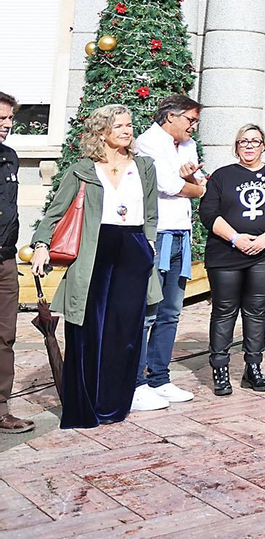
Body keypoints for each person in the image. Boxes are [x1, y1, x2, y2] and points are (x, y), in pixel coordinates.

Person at [30, 105, 160, 428]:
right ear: (102, 132)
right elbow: (55, 212)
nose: (127, 131)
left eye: (129, 125)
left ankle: (114, 406)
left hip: (133, 250)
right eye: (119, 126)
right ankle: (85, 406)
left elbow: (151, 213)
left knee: (125, 332)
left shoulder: (144, 167)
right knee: (88, 330)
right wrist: (41, 244)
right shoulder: (83, 170)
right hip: (94, 251)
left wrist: (149, 243)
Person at [199, 124, 265, 396]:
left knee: (256, 311)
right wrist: (235, 238)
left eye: (255, 141)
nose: (249, 146)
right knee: (224, 311)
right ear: (236, 146)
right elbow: (208, 212)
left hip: (263, 253)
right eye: (243, 141)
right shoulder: (222, 176)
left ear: (264, 145)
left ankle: (253, 367)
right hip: (225, 254)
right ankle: (220, 369)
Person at [131, 95, 205, 410]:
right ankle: (136, 383)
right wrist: (189, 183)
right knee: (147, 312)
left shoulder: (188, 145)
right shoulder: (148, 142)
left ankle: (159, 378)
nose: (194, 126)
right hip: (156, 235)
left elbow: (199, 184)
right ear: (171, 116)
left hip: (181, 233)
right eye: (191, 119)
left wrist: (189, 181)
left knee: (171, 311)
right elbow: (168, 186)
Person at [0, 93, 31, 431]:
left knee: (4, 336)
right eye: (1, 119)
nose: (7, 124)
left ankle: (0, 409)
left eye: (9, 119)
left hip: (6, 259)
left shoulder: (10, 157)